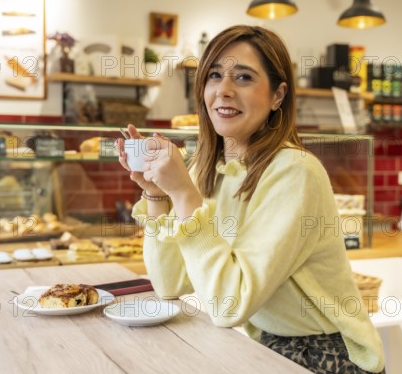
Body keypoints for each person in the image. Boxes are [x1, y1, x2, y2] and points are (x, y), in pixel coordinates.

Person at [117, 25, 385, 374]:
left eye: (243, 77)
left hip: (329, 355)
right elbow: (170, 284)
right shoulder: (207, 168)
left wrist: (183, 194)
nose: (224, 90)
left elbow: (228, 306)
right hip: (266, 342)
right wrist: (156, 193)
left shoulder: (295, 172)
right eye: (214, 75)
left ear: (278, 95)